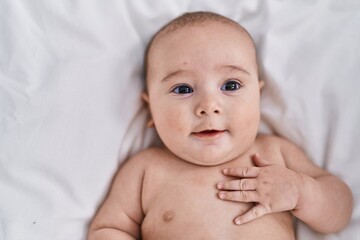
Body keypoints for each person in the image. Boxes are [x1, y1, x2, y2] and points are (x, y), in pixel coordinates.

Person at [88, 11, 353, 240]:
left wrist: (301, 192)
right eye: (183, 89)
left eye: (231, 86)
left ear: (258, 97)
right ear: (151, 110)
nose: (208, 105)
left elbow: (340, 209)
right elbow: (108, 228)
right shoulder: (146, 170)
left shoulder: (276, 154)